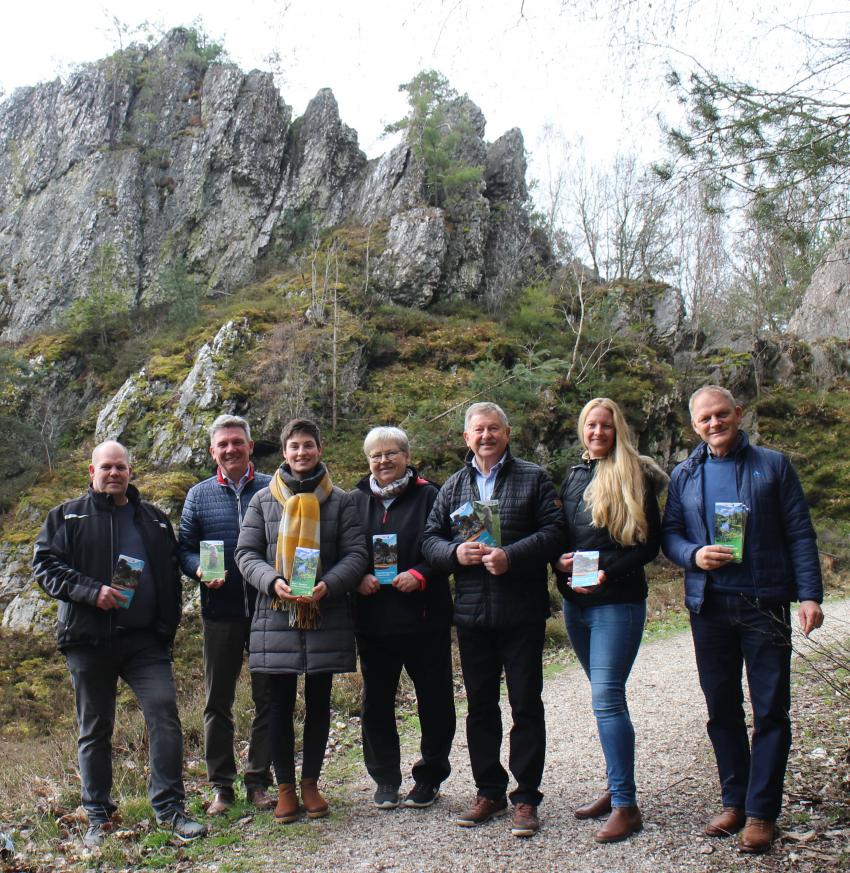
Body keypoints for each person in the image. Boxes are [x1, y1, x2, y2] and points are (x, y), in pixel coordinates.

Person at [662, 385, 824, 854]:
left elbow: (799, 532)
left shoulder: (773, 465)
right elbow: (670, 535)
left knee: (771, 710)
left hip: (764, 602)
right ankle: (734, 800)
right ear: (694, 426)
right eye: (704, 419)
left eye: (721, 414)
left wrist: (810, 595)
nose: (714, 424)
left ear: (738, 412)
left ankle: (761, 813)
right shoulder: (685, 474)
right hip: (708, 606)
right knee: (722, 709)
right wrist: (694, 555)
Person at [32, 441, 207, 847]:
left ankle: (171, 810)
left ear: (131, 471)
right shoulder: (66, 516)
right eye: (106, 467)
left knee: (164, 716)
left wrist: (166, 628)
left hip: (145, 643)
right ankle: (99, 816)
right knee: (95, 729)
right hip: (88, 641)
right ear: (91, 473)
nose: (114, 474)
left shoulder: (155, 519)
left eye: (121, 467)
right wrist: (93, 592)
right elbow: (45, 567)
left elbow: (168, 575)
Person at [421, 402, 563, 838]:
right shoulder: (453, 486)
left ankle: (526, 798)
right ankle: (489, 791)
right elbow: (429, 540)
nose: (486, 436)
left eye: (494, 429)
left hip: (521, 611)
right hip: (471, 614)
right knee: (480, 707)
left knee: (525, 704)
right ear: (467, 438)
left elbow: (556, 531)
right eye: (478, 430)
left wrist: (511, 556)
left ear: (508, 432)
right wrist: (454, 554)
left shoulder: (533, 477)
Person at [235, 418, 367, 823]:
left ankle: (311, 784)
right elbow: (246, 554)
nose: (302, 453)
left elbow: (357, 554)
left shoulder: (341, 501)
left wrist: (330, 584)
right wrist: (272, 582)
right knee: (278, 706)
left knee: (319, 703)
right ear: (284, 452)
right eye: (294, 446)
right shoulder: (263, 500)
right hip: (276, 615)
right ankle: (285, 789)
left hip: (323, 612)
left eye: (308, 445)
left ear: (319, 450)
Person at [554, 398, 667, 843]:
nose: (597, 432)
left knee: (607, 698)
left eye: (605, 425)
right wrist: (559, 565)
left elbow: (648, 546)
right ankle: (613, 787)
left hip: (617, 602)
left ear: (617, 429)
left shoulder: (635, 475)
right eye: (590, 425)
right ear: (582, 430)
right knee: (602, 699)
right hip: (576, 604)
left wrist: (606, 571)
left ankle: (626, 804)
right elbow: (562, 534)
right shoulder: (574, 475)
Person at [350, 426, 455, 810]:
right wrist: (355, 577)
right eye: (375, 455)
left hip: (424, 617)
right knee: (376, 702)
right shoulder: (354, 500)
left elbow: (452, 547)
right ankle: (385, 780)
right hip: (373, 619)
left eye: (391, 453)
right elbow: (345, 550)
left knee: (435, 701)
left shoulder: (433, 495)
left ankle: (429, 777)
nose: (383, 461)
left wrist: (423, 574)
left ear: (407, 456)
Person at [178, 415, 274, 814]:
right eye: (223, 444)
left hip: (270, 609)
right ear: (213, 451)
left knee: (268, 698)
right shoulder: (198, 496)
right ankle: (221, 786)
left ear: (250, 446)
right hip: (220, 612)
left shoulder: (273, 486)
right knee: (218, 701)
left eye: (238, 441)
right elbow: (183, 548)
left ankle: (258, 781)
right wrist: (198, 569)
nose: (231, 449)